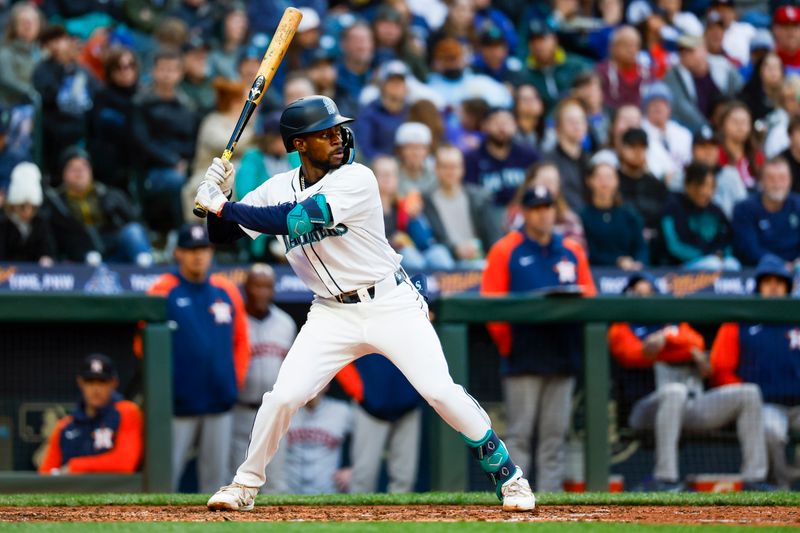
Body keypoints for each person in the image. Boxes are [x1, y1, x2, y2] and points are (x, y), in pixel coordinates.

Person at [195, 95, 535, 512]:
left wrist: (227, 206)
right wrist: (220, 203)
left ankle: (509, 478)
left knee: (440, 392)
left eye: (339, 129)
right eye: (326, 133)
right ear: (299, 145)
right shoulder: (276, 187)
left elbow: (297, 219)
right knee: (282, 397)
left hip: (389, 301)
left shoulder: (358, 179)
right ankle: (244, 486)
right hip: (330, 312)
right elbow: (221, 236)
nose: (339, 137)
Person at [481, 185, 596, 492]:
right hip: (523, 357)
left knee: (554, 438)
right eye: (536, 208)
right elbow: (489, 305)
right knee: (519, 435)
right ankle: (515, 495)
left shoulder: (571, 249)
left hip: (562, 355)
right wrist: (510, 345)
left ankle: (550, 505)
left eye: (547, 207)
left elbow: (591, 299)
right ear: (524, 212)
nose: (543, 214)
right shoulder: (506, 249)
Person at [609, 273, 770, 491]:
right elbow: (633, 354)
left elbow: (696, 341)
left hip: (690, 406)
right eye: (637, 294)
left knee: (749, 393)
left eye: (649, 294)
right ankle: (665, 479)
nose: (644, 299)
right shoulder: (621, 327)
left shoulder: (671, 322)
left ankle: (754, 479)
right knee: (674, 391)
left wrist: (666, 339)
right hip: (644, 411)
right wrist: (684, 351)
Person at [144, 223, 250, 493]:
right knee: (165, 480)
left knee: (215, 483)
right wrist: (164, 389)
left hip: (218, 402)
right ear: (178, 253)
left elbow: (241, 343)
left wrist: (231, 384)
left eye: (203, 248)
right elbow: (141, 345)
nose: (198, 255)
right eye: (191, 250)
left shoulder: (226, 290)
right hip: (177, 405)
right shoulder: (162, 290)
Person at [711, 254, 800, 489]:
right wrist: (747, 401)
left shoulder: (796, 317)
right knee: (770, 432)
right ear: (758, 286)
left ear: (788, 287)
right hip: (766, 405)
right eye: (767, 281)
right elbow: (721, 369)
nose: (773, 287)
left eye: (779, 282)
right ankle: (782, 492)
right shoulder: (741, 320)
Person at [231, 264, 297, 494]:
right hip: (240, 410)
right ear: (246, 288)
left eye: (267, 287)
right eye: (256, 286)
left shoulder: (286, 323)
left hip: (273, 413)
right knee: (233, 479)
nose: (261, 292)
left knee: (275, 481)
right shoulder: (235, 320)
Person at [45, 147, 152, 265]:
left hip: (114, 251)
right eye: (73, 168)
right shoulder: (56, 203)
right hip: (81, 259)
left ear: (91, 171)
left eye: (83, 167)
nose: (79, 173)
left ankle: (146, 275)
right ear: (63, 173)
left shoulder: (109, 194)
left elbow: (138, 222)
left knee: (133, 231)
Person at [39, 354, 143, 475]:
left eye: (102, 382)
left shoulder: (126, 411)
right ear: (80, 382)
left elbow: (125, 463)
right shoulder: (65, 425)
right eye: (90, 381)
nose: (96, 388)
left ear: (114, 383)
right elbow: (45, 474)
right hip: (74, 492)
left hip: (113, 491)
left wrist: (75, 466)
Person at [132, 48, 198, 234]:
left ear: (180, 73)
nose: (167, 74)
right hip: (151, 170)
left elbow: (192, 142)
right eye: (163, 69)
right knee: (175, 181)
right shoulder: (141, 103)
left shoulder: (188, 106)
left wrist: (183, 162)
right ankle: (180, 233)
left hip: (183, 166)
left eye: (172, 70)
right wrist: (172, 161)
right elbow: (142, 142)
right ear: (153, 71)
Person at [336, 353, 423, 493]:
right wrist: (359, 391)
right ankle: (358, 515)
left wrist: (419, 391)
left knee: (405, 478)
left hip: (408, 404)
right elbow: (338, 351)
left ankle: (399, 516)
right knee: (363, 477)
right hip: (370, 405)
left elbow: (427, 350)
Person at [32, 24, 98, 180]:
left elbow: (97, 93)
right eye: (51, 42)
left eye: (60, 40)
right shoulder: (43, 69)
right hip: (55, 129)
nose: (56, 46)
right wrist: (62, 68)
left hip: (82, 126)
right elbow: (47, 96)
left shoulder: (81, 69)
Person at [182, 78, 252, 222]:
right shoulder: (213, 120)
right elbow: (225, 144)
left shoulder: (249, 126)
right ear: (235, 103)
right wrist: (256, 138)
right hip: (207, 176)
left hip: (237, 181)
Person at [423, 145, 501, 269]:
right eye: (445, 167)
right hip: (445, 262)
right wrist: (455, 250)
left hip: (477, 258)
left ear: (462, 169)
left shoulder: (479, 198)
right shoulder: (425, 201)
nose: (450, 172)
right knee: (438, 256)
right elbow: (428, 241)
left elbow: (493, 237)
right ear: (436, 169)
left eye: (454, 166)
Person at [464, 107, 539, 230]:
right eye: (496, 123)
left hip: (526, 215)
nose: (502, 128)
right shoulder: (472, 159)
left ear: (515, 125)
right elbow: (471, 197)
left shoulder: (529, 155)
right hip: (488, 222)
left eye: (507, 123)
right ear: (484, 126)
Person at [661, 162, 739, 270]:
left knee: (732, 265)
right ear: (688, 185)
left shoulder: (716, 210)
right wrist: (705, 255)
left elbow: (727, 241)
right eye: (702, 185)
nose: (707, 192)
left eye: (711, 187)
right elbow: (674, 246)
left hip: (713, 260)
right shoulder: (673, 206)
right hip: (679, 267)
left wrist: (722, 254)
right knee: (712, 264)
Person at [661, 34, 742, 132]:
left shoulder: (723, 67)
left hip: (728, 126)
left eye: (690, 50)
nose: (685, 55)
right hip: (694, 131)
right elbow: (683, 108)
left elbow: (739, 93)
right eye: (681, 52)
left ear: (704, 50)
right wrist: (707, 128)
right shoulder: (674, 75)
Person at [580, 152, 647, 270]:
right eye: (599, 177)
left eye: (609, 177)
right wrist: (617, 261)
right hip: (597, 274)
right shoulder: (583, 215)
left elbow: (640, 246)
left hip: (631, 273)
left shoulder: (629, 214)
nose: (604, 182)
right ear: (590, 181)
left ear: (617, 181)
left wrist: (638, 263)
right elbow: (588, 251)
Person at [87, 47, 139, 192]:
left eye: (130, 66)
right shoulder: (101, 97)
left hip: (138, 160)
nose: (125, 71)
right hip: (109, 164)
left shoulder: (143, 97)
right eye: (119, 67)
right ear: (110, 71)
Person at [283, 388, 353, 494]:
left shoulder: (342, 411)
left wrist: (354, 471)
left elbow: (371, 440)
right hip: (286, 495)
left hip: (328, 496)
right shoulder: (282, 411)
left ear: (328, 383)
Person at [732, 157, 800, 266]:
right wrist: (780, 265)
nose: (777, 184)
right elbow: (749, 249)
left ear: (790, 180)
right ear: (761, 181)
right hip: (757, 269)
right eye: (771, 179)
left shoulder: (798, 205)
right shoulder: (744, 208)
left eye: (782, 178)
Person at [524, 18, 591, 114]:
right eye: (534, 41)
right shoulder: (526, 75)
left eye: (543, 39)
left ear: (554, 40)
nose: (539, 45)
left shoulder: (575, 66)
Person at [616, 128, 669, 238]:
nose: (637, 152)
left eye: (642, 147)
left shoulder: (656, 184)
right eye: (632, 146)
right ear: (622, 149)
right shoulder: (613, 181)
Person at [354, 61, 409, 162]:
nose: (396, 85)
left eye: (400, 81)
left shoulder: (411, 110)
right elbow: (365, 148)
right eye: (392, 81)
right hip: (379, 168)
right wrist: (385, 162)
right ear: (383, 84)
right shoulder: (369, 112)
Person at [0, 161, 53, 264]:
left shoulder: (41, 221)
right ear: (14, 205)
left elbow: (48, 250)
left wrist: (46, 258)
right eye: (22, 206)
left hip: (35, 277)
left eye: (32, 207)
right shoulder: (3, 222)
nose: (27, 212)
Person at [544, 97, 590, 212]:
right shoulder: (548, 161)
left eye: (581, 120)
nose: (577, 125)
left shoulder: (590, 159)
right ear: (558, 126)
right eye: (571, 121)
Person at [641, 82, 693, 176]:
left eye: (662, 102)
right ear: (646, 108)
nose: (658, 106)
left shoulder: (684, 134)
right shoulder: (640, 131)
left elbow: (688, 164)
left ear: (669, 108)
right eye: (653, 102)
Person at [596, 25, 654, 110]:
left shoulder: (647, 72)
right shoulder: (601, 72)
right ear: (613, 47)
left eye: (635, 45)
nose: (631, 50)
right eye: (626, 45)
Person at [0, 1, 43, 106]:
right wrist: (34, 93)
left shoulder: (45, 52)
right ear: (14, 26)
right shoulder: (5, 53)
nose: (28, 26)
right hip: (13, 109)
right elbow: (8, 81)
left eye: (32, 21)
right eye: (24, 22)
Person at [717, 101, 764, 191]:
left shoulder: (757, 154)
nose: (740, 126)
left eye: (744, 122)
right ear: (723, 124)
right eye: (735, 121)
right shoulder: (716, 153)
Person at [395, 122, 436, 197]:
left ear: (427, 150)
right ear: (400, 151)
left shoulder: (435, 171)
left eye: (420, 148)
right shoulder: (392, 172)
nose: (415, 153)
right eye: (410, 147)